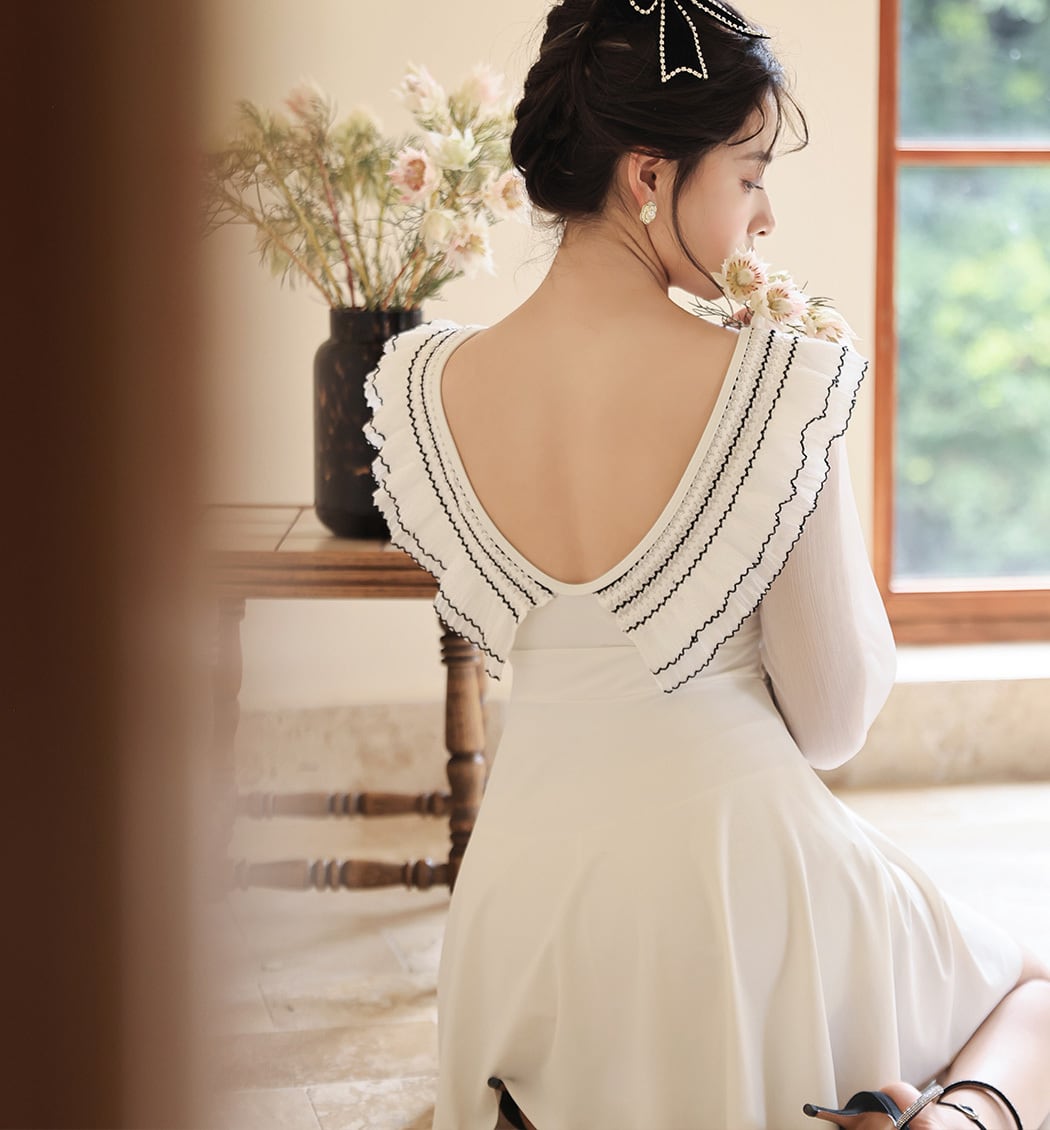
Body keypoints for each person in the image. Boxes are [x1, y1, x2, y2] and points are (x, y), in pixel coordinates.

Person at [363, 1, 1050, 1126]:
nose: (766, 213)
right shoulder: (776, 379)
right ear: (649, 175)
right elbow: (833, 718)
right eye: (749, 174)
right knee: (1033, 992)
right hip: (734, 882)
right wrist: (811, 422)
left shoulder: (425, 387)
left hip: (518, 898)